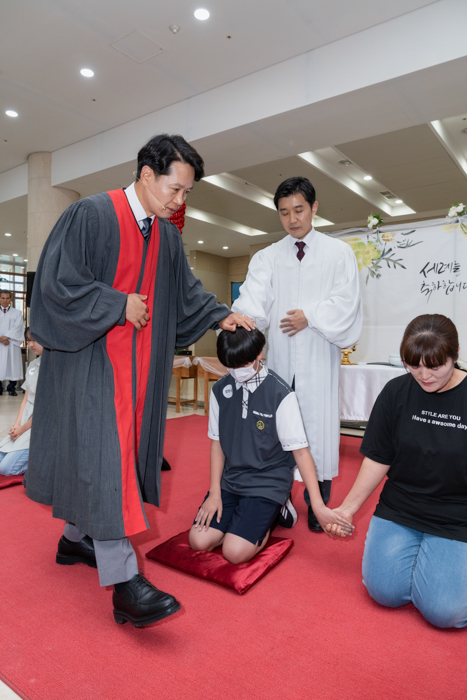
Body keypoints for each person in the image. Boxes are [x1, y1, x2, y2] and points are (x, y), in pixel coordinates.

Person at [26, 133, 255, 628]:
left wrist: (219, 317)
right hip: (92, 370)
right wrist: (115, 303)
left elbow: (186, 296)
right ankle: (125, 582)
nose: (181, 200)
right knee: (108, 464)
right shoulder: (90, 214)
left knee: (116, 459)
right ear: (147, 175)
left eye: (187, 193)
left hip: (140, 373)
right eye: (176, 189)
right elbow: (56, 285)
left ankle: (74, 539)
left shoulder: (167, 237)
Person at [232, 177, 362, 531]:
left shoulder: (338, 253)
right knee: (275, 431)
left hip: (319, 358)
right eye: (284, 212)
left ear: (314, 207)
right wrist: (239, 320)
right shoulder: (268, 257)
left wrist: (312, 316)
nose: (292, 219)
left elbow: (346, 303)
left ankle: (316, 501)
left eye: (299, 210)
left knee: (317, 428)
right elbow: (254, 301)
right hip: (280, 361)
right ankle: (276, 499)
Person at [327, 314, 467, 629]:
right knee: (384, 591)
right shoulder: (395, 392)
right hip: (402, 506)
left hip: (457, 515)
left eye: (435, 366)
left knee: (444, 612)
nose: (424, 376)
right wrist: (348, 510)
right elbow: (379, 457)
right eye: (413, 366)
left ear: (455, 356)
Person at [189, 328, 353, 563]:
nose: (237, 372)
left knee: (234, 553)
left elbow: (301, 452)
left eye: (242, 364)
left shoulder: (280, 393)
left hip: (267, 483)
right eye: (230, 366)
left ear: (259, 354)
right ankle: (245, 519)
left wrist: (317, 505)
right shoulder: (220, 390)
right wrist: (214, 493)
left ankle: (278, 510)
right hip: (232, 480)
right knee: (199, 542)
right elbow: (217, 443)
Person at [0, 327, 42, 476]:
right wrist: (16, 425)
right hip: (25, 422)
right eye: (29, 340)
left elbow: (44, 409)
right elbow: (26, 399)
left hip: (38, 425)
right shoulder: (32, 366)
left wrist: (23, 429)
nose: (31, 345)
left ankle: (42, 465)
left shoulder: (52, 369)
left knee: (5, 469)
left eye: (35, 340)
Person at [0, 290, 24, 396]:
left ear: (11, 299)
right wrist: (0, 339)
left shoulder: (17, 313)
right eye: (3, 298)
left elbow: (19, 327)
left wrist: (7, 337)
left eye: (7, 298)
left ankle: (11, 388)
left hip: (11, 344)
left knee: (13, 365)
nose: (5, 300)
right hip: (0, 344)